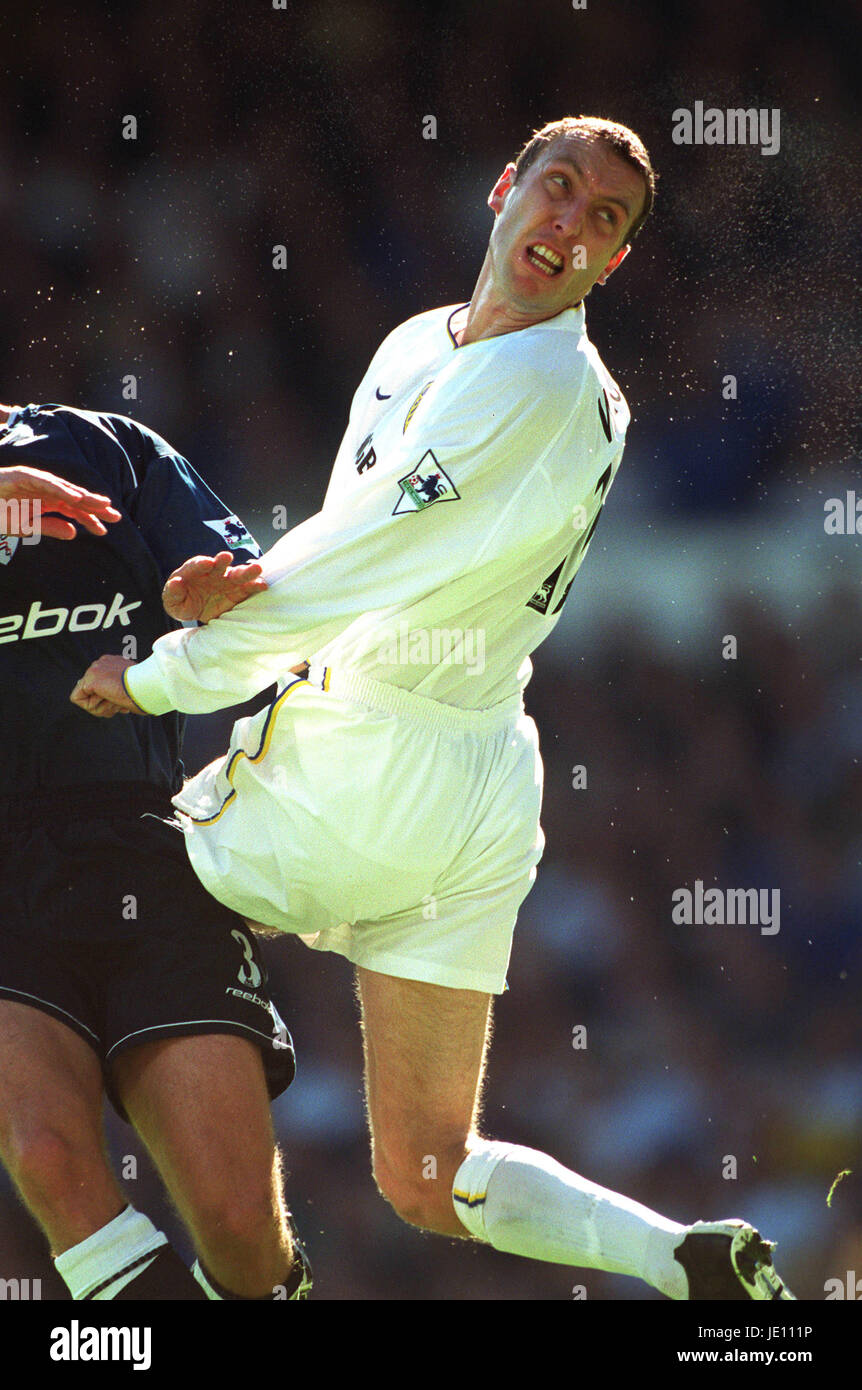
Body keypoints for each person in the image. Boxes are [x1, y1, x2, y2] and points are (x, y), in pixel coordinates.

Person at [72, 117, 793, 1299]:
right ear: (504, 191)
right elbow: (346, 546)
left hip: (372, 764)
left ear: (613, 264)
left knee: (77, 895)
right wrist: (236, 586)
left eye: (602, 220)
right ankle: (677, 1260)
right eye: (557, 191)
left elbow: (348, 576)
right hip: (479, 785)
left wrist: (159, 671)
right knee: (425, 1168)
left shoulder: (539, 389)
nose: (569, 223)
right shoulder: (425, 345)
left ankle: (167, 1282)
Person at [0, 403, 310, 1301]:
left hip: (142, 842)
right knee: (49, 1158)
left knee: (244, 1225)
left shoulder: (103, 447)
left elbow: (244, 597)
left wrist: (201, 597)